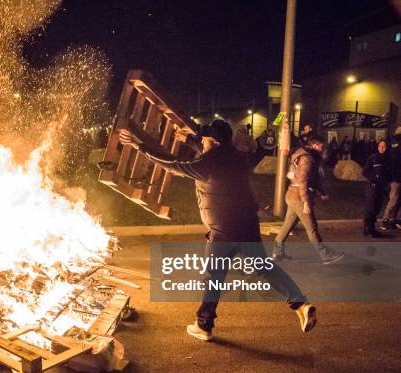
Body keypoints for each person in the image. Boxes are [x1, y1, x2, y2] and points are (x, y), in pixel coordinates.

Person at [118, 120, 316, 341]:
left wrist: (139, 146)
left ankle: (203, 326)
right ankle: (301, 303)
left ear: (212, 141)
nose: (201, 143)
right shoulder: (237, 157)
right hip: (247, 225)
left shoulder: (206, 165)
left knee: (213, 277)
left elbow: (170, 163)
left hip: (223, 231)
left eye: (203, 139)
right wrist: (190, 140)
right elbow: (211, 151)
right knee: (263, 268)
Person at [272, 135, 344, 264]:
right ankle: (325, 255)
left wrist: (322, 192)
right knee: (312, 227)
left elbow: (312, 179)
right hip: (299, 196)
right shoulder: (307, 159)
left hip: (293, 195)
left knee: (288, 225)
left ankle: (277, 252)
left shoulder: (305, 156)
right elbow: (303, 181)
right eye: (322, 147)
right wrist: (305, 202)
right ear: (315, 145)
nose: (323, 149)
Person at [362, 140, 392, 238]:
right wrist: (374, 179)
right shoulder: (373, 158)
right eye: (380, 146)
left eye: (384, 146)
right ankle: (369, 229)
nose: (382, 148)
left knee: (377, 207)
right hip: (372, 186)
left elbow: (389, 173)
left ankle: (369, 228)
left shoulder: (388, 159)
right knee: (371, 207)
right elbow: (365, 172)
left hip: (381, 187)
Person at [381, 128, 401, 230]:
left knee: (397, 200)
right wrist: (393, 178)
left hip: (396, 178)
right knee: (393, 200)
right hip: (397, 179)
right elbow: (393, 165)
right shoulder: (396, 149)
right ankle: (385, 220)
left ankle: (397, 219)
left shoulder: (395, 148)